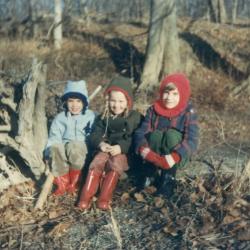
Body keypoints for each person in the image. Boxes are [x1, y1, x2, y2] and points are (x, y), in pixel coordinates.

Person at [77, 76, 142, 210]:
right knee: (98, 160)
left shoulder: (134, 117)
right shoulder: (103, 117)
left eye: (120, 101)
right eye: (113, 100)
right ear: (108, 101)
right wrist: (101, 144)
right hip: (106, 149)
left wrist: (121, 147)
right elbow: (95, 133)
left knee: (115, 163)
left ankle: (104, 198)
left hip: (124, 152)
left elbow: (136, 137)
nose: (116, 105)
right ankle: (85, 196)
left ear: (128, 101)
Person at [134, 73, 199, 198]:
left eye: (175, 94)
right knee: (155, 135)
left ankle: (168, 178)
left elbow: (192, 139)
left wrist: (174, 157)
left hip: (177, 156)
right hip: (153, 155)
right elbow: (140, 132)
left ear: (182, 94)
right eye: (166, 92)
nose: (169, 97)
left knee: (171, 135)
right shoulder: (154, 109)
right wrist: (143, 150)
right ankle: (149, 173)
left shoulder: (188, 111)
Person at [44, 80, 95, 196]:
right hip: (65, 150)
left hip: (82, 151)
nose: (74, 105)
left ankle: (75, 182)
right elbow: (54, 137)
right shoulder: (60, 118)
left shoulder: (91, 116)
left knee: (75, 145)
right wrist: (48, 153)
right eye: (71, 101)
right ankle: (63, 183)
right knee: (55, 146)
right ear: (65, 102)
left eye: (78, 101)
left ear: (84, 102)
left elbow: (97, 135)